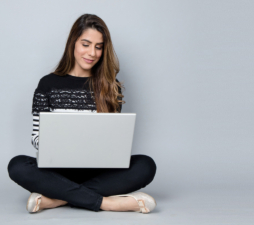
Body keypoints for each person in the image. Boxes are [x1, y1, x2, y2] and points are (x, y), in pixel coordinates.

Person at [7, 13, 157, 214]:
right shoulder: (47, 84)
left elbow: (114, 141)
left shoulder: (111, 87)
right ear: (73, 43)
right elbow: (36, 138)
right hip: (56, 170)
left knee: (146, 165)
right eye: (85, 44)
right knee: (17, 165)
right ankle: (106, 203)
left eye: (98, 46)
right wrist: (59, 142)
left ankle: (57, 198)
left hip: (99, 171)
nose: (92, 53)